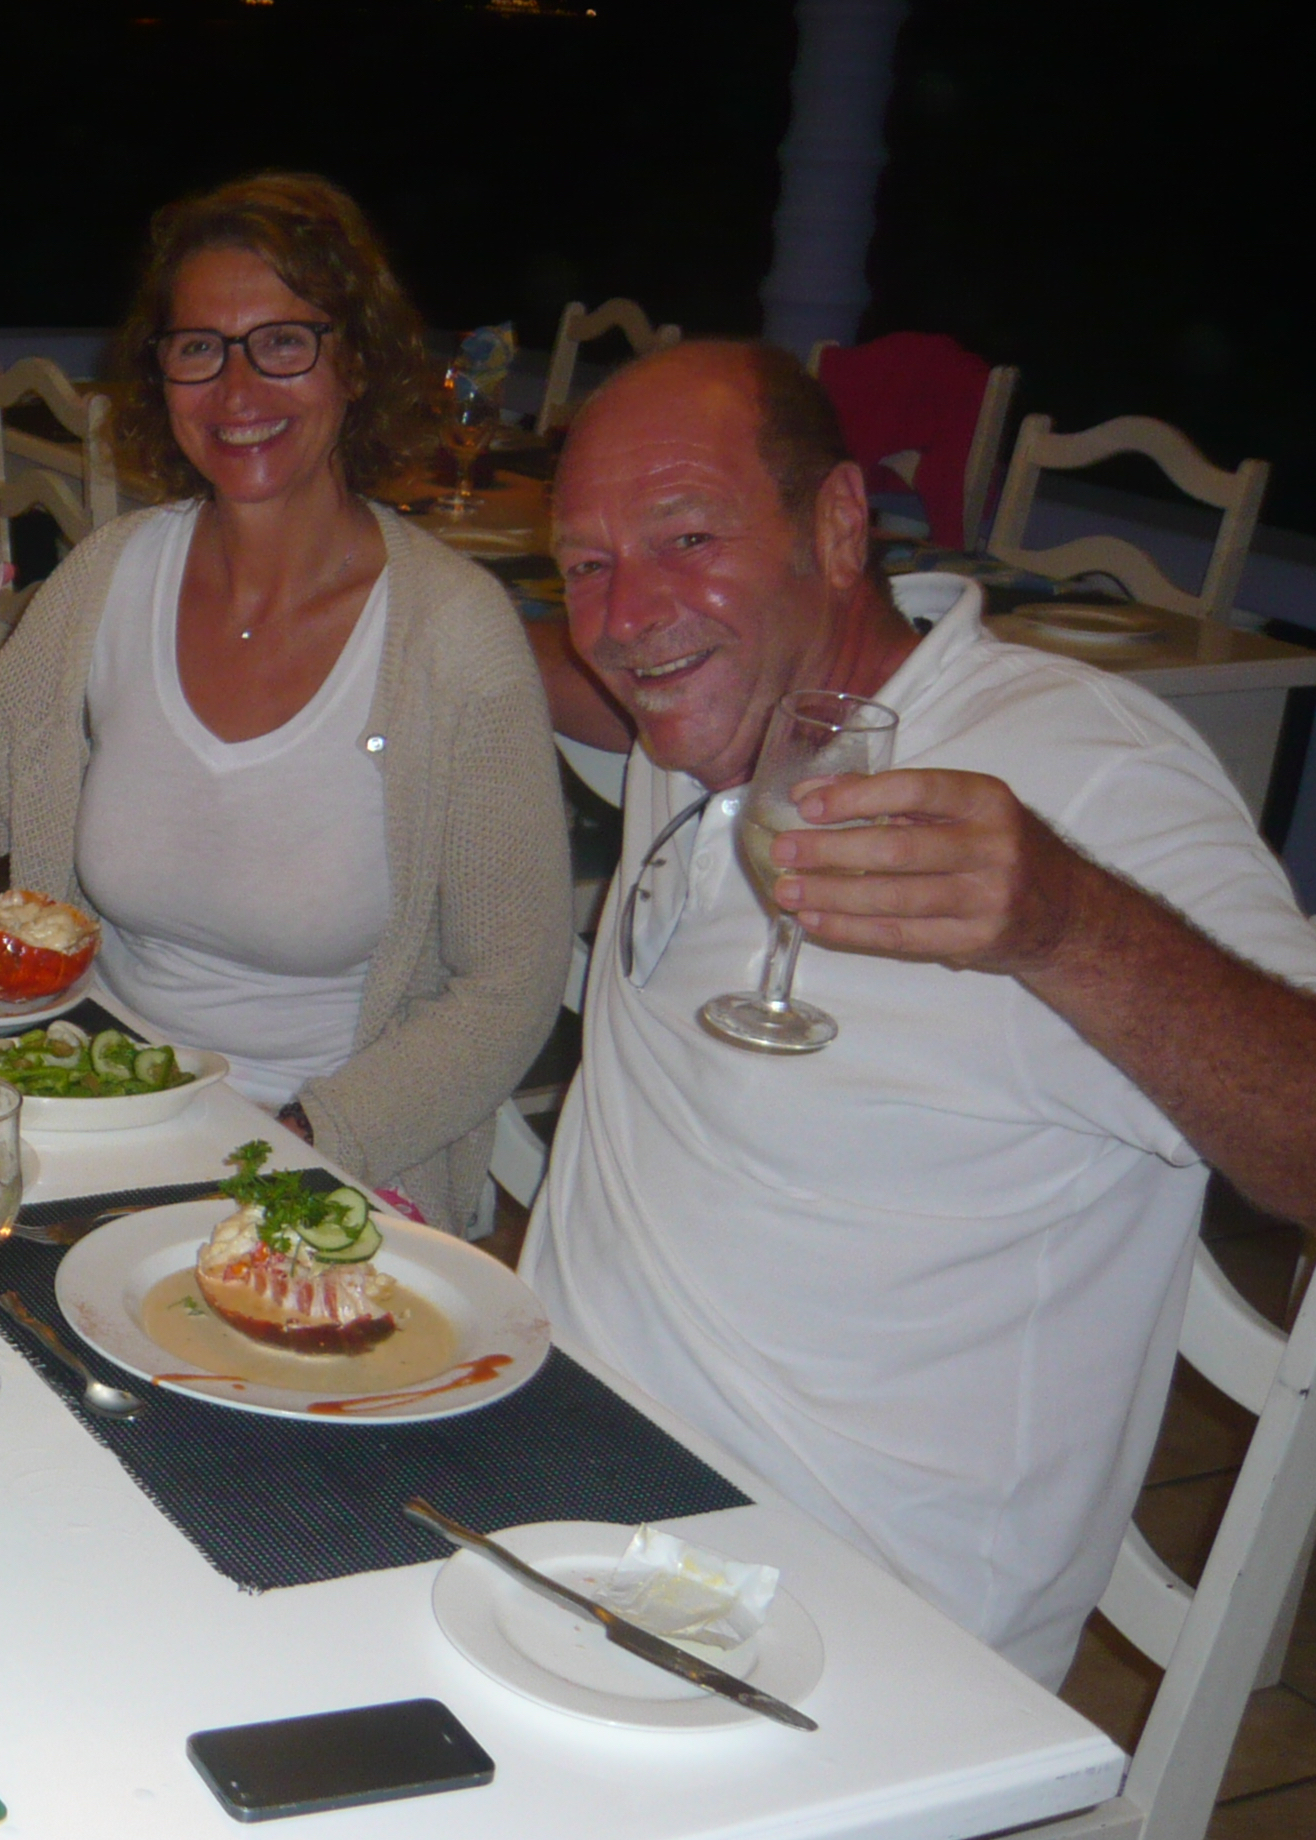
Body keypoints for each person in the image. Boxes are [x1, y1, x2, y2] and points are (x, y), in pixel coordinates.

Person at [520, 340, 1316, 1685]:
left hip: (846, 1632)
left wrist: (1067, 923)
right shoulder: (707, 705)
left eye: (688, 537)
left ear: (838, 525)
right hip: (552, 1482)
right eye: (586, 564)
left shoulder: (1084, 771)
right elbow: (541, 655)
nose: (629, 615)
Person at [0, 173, 571, 1232]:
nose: (237, 390)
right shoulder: (112, 577)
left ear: (356, 362)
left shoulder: (452, 635)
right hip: (93, 1103)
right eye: (199, 347)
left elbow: (511, 986)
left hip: (331, 1160)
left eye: (283, 342)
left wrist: (295, 1142)